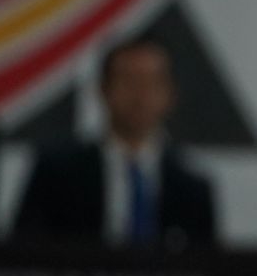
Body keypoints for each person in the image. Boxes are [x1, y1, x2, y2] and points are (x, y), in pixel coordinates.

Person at [14, 36, 218, 250]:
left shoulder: (192, 187)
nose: (141, 95)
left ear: (169, 94)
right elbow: (23, 257)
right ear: (103, 89)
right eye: (129, 81)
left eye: (151, 82)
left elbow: (207, 272)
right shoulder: (56, 172)